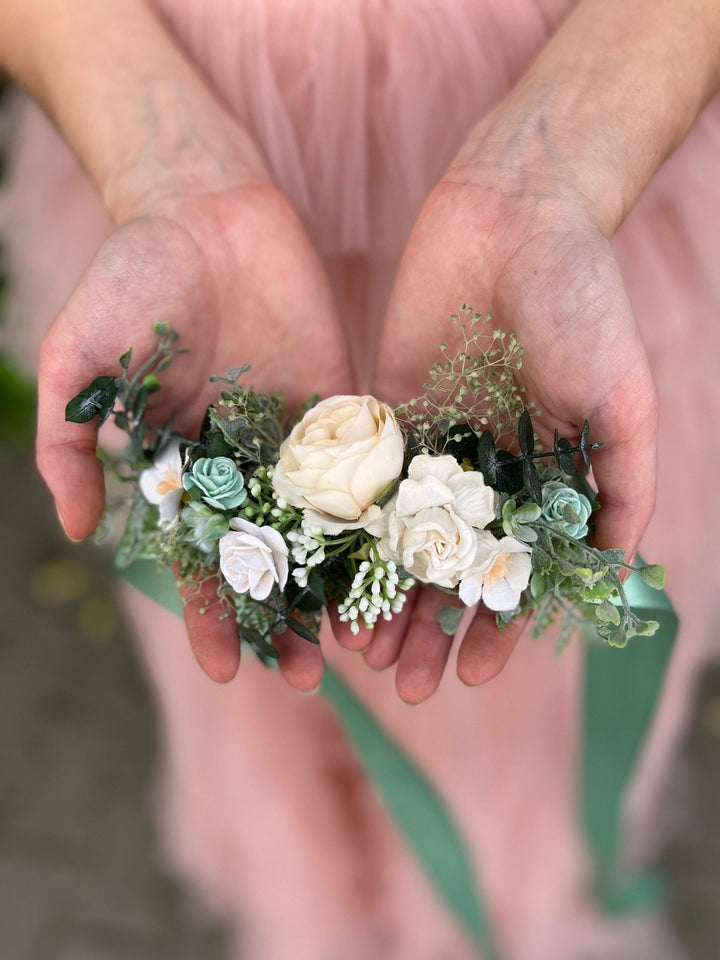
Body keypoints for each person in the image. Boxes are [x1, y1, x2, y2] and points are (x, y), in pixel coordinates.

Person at [2, 0, 720, 956]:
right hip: (159, 108)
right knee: (262, 690)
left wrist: (550, 177)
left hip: (604, 114)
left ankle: (529, 912)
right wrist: (169, 167)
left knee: (536, 700)